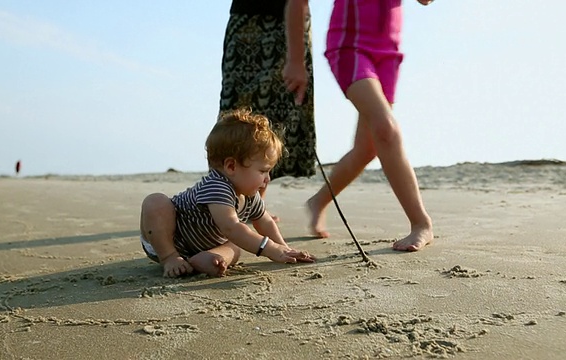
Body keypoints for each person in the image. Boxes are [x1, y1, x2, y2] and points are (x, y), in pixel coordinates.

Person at [283, 0, 434, 251]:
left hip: (389, 51)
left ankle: (318, 201)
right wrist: (296, 61)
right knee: (386, 128)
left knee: (367, 148)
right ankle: (421, 223)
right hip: (350, 47)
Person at [139, 109, 315, 278]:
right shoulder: (217, 186)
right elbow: (231, 227)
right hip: (170, 239)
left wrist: (283, 248)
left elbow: (265, 221)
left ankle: (208, 259)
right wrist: (270, 248)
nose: (267, 178)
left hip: (202, 246)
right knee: (156, 201)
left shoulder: (250, 195)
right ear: (231, 166)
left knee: (235, 247)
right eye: (263, 171)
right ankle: (169, 258)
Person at [219, 0, 318, 221]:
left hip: (289, 26)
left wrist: (295, 59)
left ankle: (253, 205)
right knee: (237, 116)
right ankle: (226, 205)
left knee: (276, 119)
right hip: (249, 21)